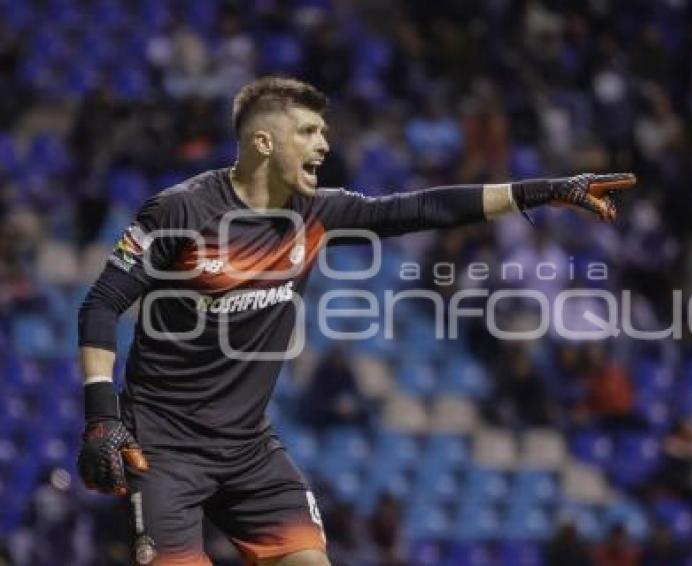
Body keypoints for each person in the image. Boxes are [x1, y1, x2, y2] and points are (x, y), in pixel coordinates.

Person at [75, 75, 637, 566]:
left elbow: (422, 208)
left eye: (325, 131)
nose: (324, 143)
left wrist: (546, 191)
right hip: (166, 451)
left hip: (248, 446)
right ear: (263, 142)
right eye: (309, 132)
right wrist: (102, 417)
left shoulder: (317, 212)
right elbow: (101, 304)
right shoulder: (180, 212)